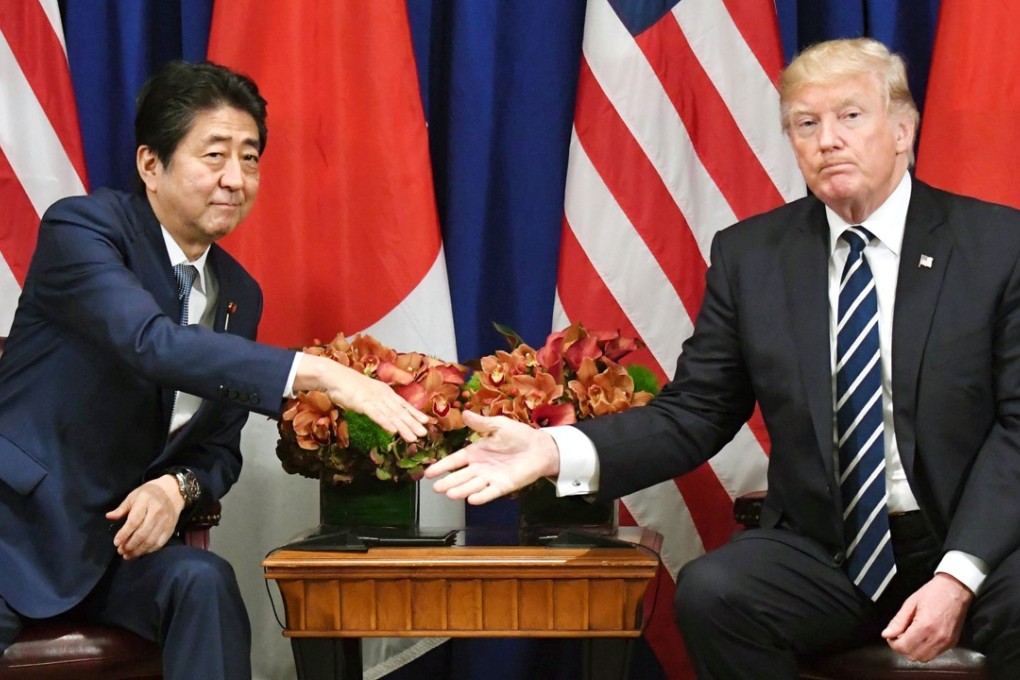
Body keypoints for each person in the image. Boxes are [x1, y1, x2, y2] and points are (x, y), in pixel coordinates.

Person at [425, 37, 1020, 679]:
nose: (827, 140)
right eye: (806, 123)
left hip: (973, 542)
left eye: (851, 116)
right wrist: (556, 452)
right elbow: (696, 412)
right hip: (828, 553)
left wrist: (957, 578)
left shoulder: (997, 245)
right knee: (716, 594)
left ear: (903, 130)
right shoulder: (752, 257)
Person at [0, 61, 428, 679]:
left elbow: (216, 451)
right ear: (152, 164)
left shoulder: (238, 294)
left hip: (118, 548)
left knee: (202, 580)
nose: (235, 179)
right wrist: (318, 373)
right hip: (16, 536)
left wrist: (177, 488)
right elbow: (150, 342)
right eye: (214, 155)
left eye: (250, 158)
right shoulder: (84, 229)